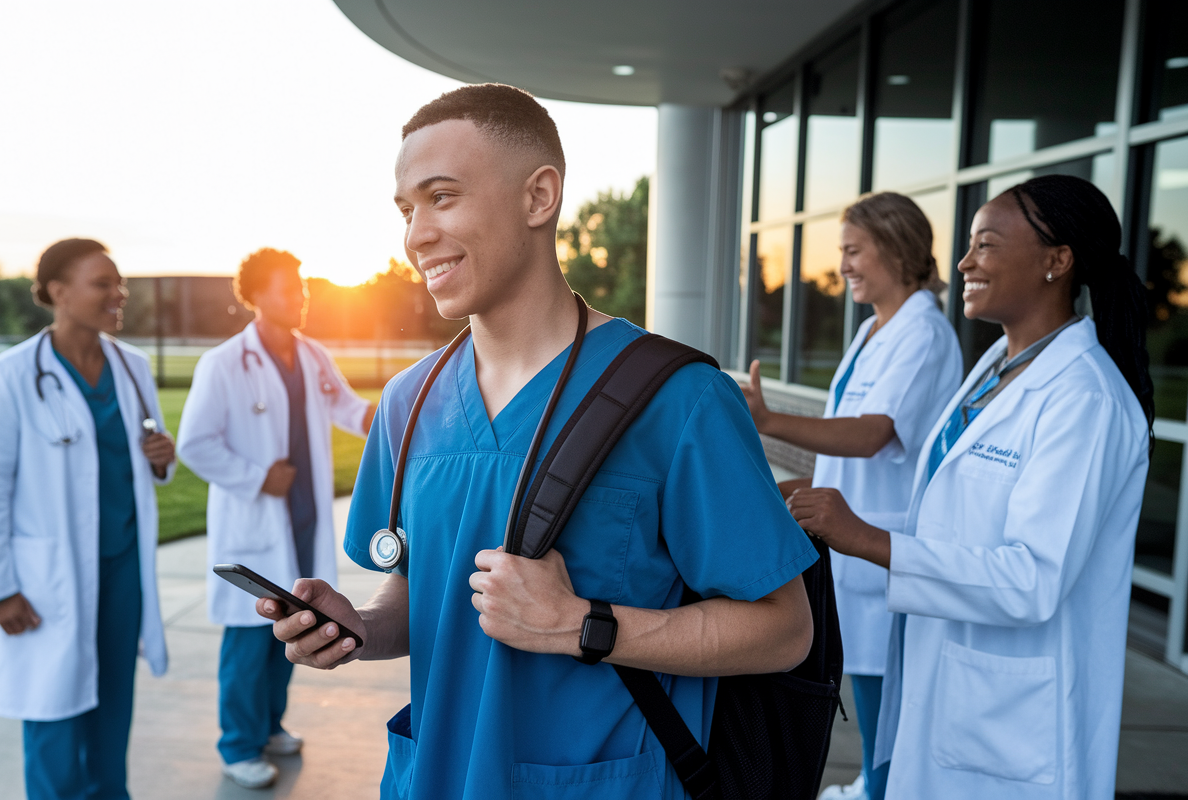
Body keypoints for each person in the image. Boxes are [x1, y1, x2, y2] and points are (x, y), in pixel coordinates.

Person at [257, 83, 817, 800]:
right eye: (406, 209)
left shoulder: (678, 400)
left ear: (538, 197)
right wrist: (359, 628)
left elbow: (782, 631)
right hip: (435, 778)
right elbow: (419, 596)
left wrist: (581, 625)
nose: (415, 234)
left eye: (442, 196)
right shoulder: (409, 402)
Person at [788, 174, 1153, 800]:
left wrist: (868, 539)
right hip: (949, 682)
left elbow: (1030, 580)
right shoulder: (996, 369)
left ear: (1056, 261)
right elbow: (951, 520)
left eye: (985, 244)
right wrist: (831, 506)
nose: (963, 263)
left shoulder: (1084, 398)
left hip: (1012, 724)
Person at [741, 192, 961, 800]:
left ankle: (880, 790)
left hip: (884, 548)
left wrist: (769, 420)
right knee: (870, 705)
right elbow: (849, 449)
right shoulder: (873, 329)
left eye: (853, 250)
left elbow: (872, 433)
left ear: (895, 248)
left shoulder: (926, 332)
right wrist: (803, 488)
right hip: (854, 551)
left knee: (888, 711)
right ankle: (873, 786)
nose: (843, 265)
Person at [0, 238, 176, 800]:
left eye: (118, 282)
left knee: (112, 705)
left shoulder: (132, 367)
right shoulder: (8, 376)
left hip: (122, 566)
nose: (118, 293)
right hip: (44, 576)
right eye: (103, 283)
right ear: (58, 292)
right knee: (53, 711)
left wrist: (161, 459)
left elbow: (143, 453)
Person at [176, 247, 374, 789]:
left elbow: (347, 409)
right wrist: (257, 475)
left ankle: (269, 726)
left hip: (302, 520)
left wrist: (390, 413)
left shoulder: (310, 355)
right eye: (290, 289)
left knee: (292, 628)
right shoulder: (222, 363)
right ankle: (237, 745)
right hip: (257, 521)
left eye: (303, 287)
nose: (301, 297)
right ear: (257, 296)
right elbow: (194, 443)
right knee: (247, 642)